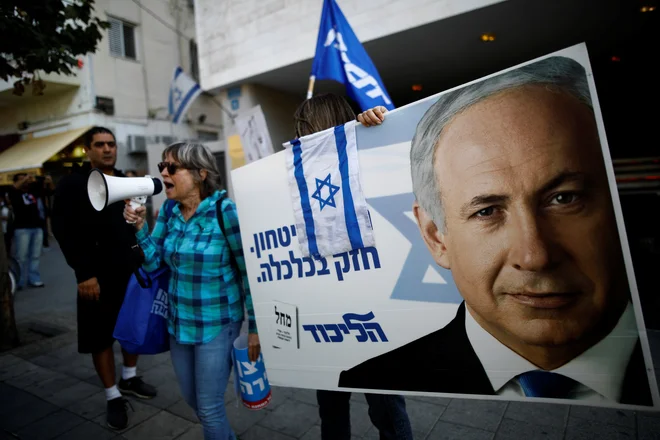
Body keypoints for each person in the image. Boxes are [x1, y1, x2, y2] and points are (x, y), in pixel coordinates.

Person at [338, 56, 653, 406]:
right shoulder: (375, 378)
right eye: (486, 211)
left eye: (564, 198)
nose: (535, 257)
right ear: (434, 236)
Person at [293, 93, 414, 440]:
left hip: (371, 313)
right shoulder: (297, 172)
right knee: (330, 409)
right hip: (326, 313)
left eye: (304, 126)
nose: (298, 133)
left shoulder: (365, 159)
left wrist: (377, 129)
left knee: (386, 408)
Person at [123, 142, 260, 440]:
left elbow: (249, 272)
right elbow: (153, 263)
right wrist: (141, 228)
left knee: (209, 408)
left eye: (171, 167)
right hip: (178, 324)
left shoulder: (225, 212)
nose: (163, 172)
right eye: (162, 166)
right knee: (193, 400)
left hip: (217, 325)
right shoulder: (170, 210)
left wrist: (256, 328)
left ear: (200, 174)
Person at [52, 127, 158, 431]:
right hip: (95, 275)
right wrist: (83, 273)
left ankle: (129, 377)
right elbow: (63, 230)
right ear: (88, 150)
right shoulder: (72, 184)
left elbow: (138, 222)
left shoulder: (127, 179)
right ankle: (112, 395)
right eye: (100, 145)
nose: (107, 149)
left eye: (111, 144)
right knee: (99, 335)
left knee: (132, 326)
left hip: (130, 270)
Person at [8, 173, 44, 289]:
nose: (25, 181)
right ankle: (20, 280)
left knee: (35, 255)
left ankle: (34, 279)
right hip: (22, 228)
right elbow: (14, 188)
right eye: (21, 179)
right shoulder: (14, 193)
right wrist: (24, 180)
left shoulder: (32, 191)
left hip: (37, 227)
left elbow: (47, 189)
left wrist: (33, 180)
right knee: (21, 256)